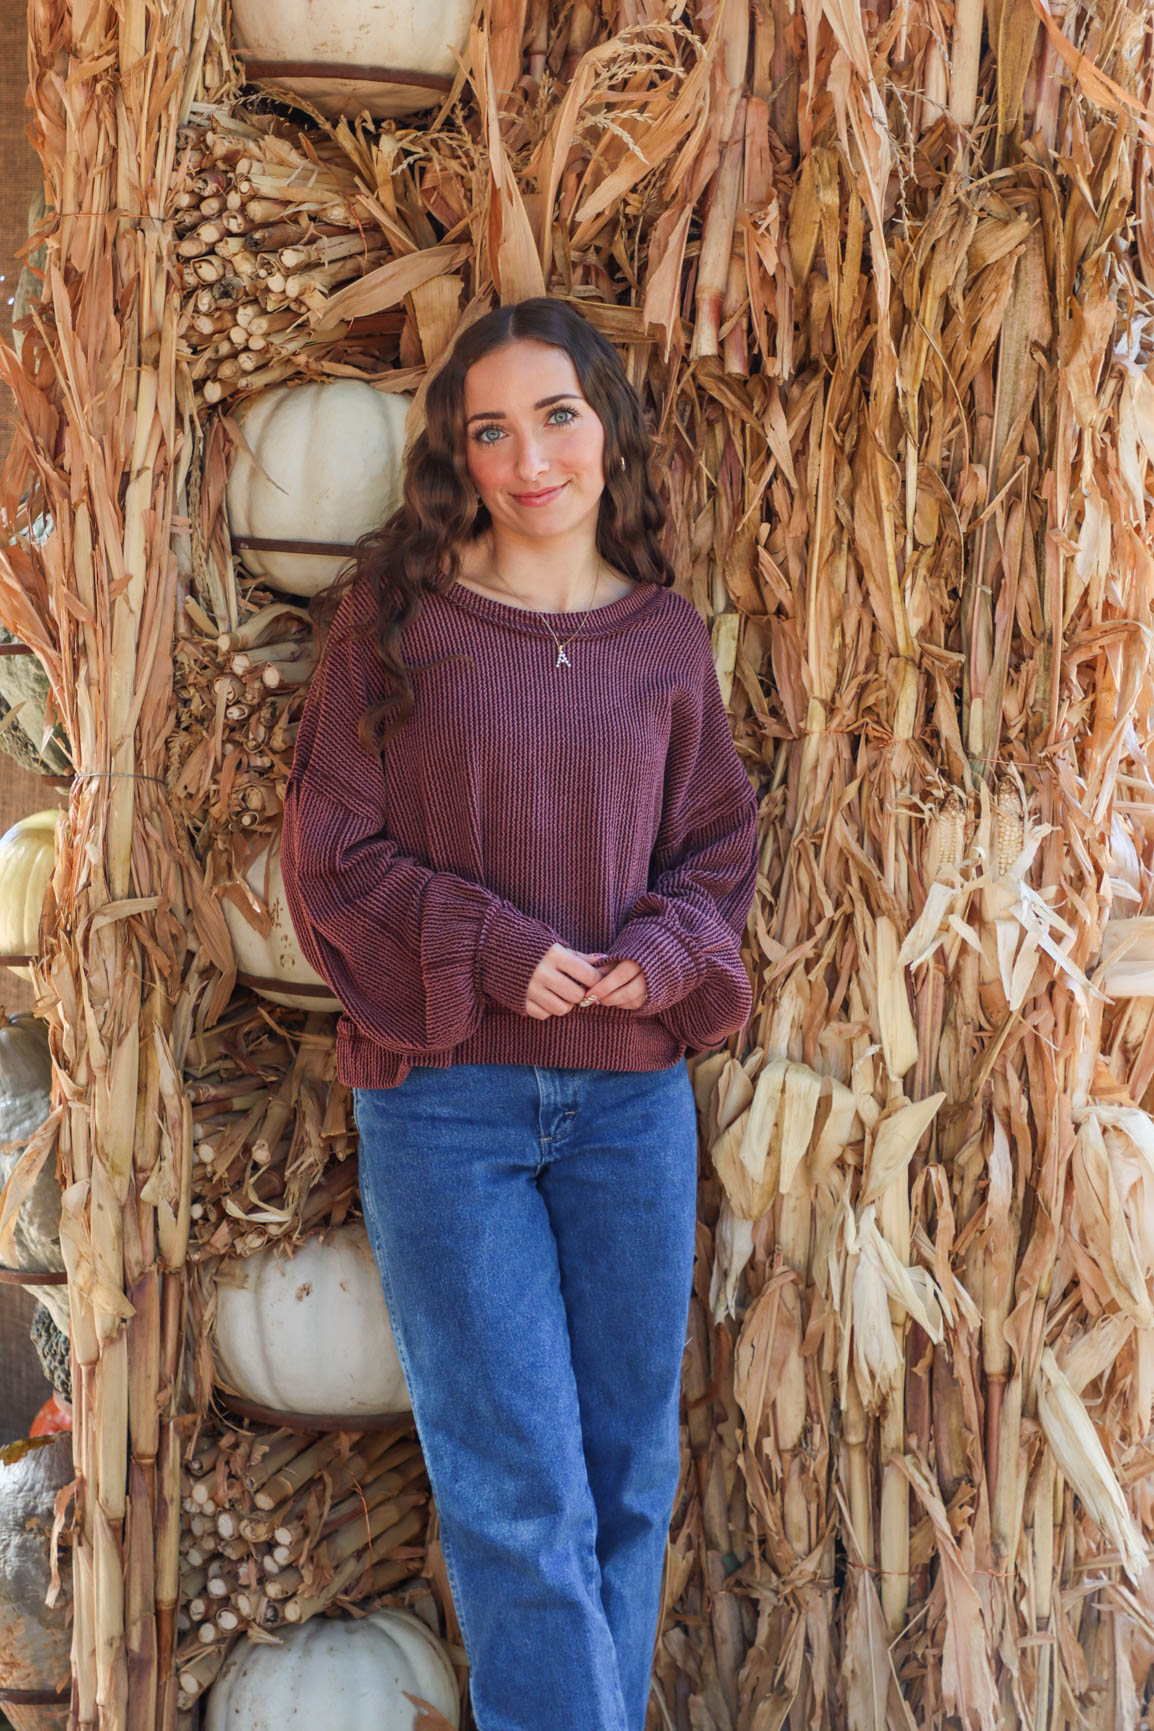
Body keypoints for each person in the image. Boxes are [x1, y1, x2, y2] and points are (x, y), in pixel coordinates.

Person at [279, 296, 760, 1731]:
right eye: (488, 430)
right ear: (458, 458)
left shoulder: (665, 641)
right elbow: (328, 854)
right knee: (515, 1495)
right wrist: (490, 946)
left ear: (605, 427)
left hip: (628, 1106)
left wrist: (662, 955)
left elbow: (715, 851)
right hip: (447, 1107)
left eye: (554, 415)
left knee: (625, 1483)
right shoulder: (398, 621)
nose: (527, 455)